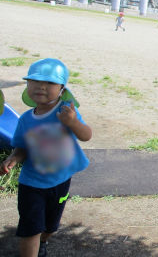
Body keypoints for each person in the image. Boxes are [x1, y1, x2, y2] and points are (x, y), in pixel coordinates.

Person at [0, 58, 92, 257]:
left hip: (60, 181)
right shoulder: (25, 119)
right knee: (30, 228)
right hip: (31, 183)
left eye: (50, 82)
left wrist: (73, 122)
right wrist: (13, 159)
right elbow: (22, 148)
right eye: (35, 81)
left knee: (50, 227)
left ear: (61, 89)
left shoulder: (65, 111)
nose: (41, 86)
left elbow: (86, 135)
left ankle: (43, 242)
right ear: (27, 84)